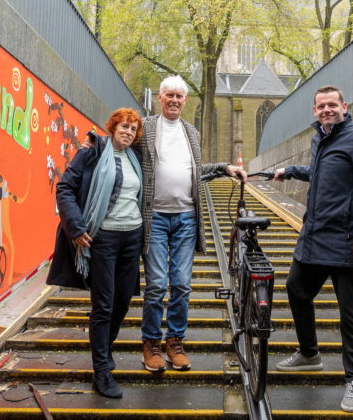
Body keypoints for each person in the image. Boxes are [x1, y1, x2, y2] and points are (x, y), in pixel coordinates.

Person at [83, 76, 247, 372]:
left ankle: (175, 342)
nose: (174, 100)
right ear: (160, 97)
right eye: (169, 95)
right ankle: (151, 344)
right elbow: (121, 141)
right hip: (155, 217)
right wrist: (96, 143)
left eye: (179, 96)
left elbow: (196, 171)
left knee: (182, 285)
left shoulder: (191, 132)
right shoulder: (145, 127)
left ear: (185, 101)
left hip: (186, 218)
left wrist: (225, 168)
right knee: (157, 285)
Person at [273, 85, 353, 413]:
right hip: (316, 236)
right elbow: (323, 175)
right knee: (296, 288)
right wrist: (291, 171)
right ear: (315, 110)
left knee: (350, 312)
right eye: (321, 106)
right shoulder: (320, 137)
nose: (326, 110)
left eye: (332, 105)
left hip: (349, 240)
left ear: (344, 106)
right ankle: (310, 353)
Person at [47, 108, 145, 399]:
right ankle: (101, 371)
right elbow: (64, 188)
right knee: (103, 306)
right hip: (101, 238)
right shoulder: (91, 152)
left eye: (134, 129)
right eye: (124, 126)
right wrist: (76, 227)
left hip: (132, 237)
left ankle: (105, 348)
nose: (128, 132)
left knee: (124, 300)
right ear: (113, 127)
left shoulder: (136, 158)